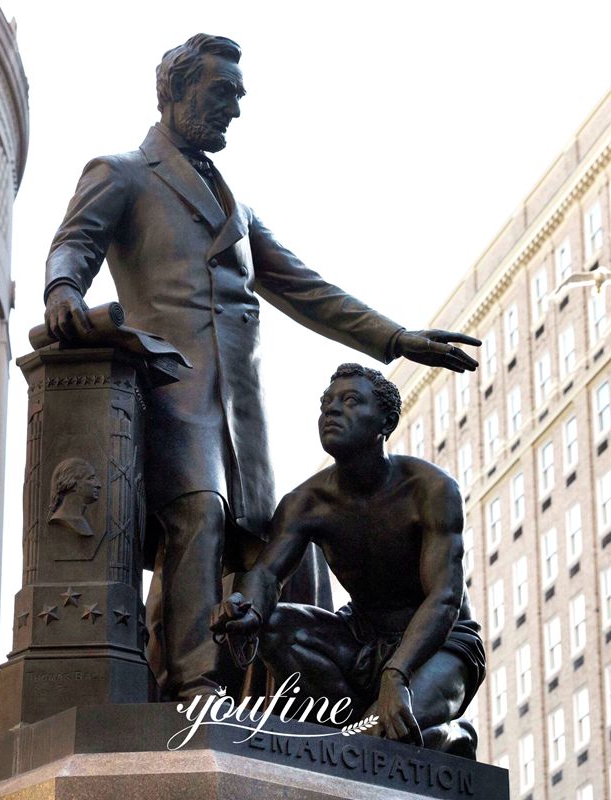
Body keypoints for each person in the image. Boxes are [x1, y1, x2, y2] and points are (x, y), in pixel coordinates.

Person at [43, 33, 480, 700]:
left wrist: (395, 339)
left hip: (240, 419)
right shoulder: (123, 172)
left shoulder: (238, 209)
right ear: (179, 92)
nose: (235, 110)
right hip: (168, 395)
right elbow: (74, 243)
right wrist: (62, 291)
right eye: (223, 94)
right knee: (200, 512)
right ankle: (196, 686)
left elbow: (307, 288)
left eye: (239, 97)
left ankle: (285, 698)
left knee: (271, 547)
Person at [211, 364, 485, 756]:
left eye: (351, 401)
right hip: (359, 639)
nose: (332, 411)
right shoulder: (306, 503)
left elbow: (444, 597)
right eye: (326, 404)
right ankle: (354, 731)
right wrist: (247, 610)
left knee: (371, 744)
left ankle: (450, 734)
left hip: (440, 645)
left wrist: (397, 672)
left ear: (386, 422)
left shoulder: (431, 489)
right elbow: (267, 574)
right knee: (275, 626)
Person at [47, 457, 101, 538]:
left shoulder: (79, 518)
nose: (98, 485)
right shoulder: (65, 518)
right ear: (73, 483)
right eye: (91, 478)